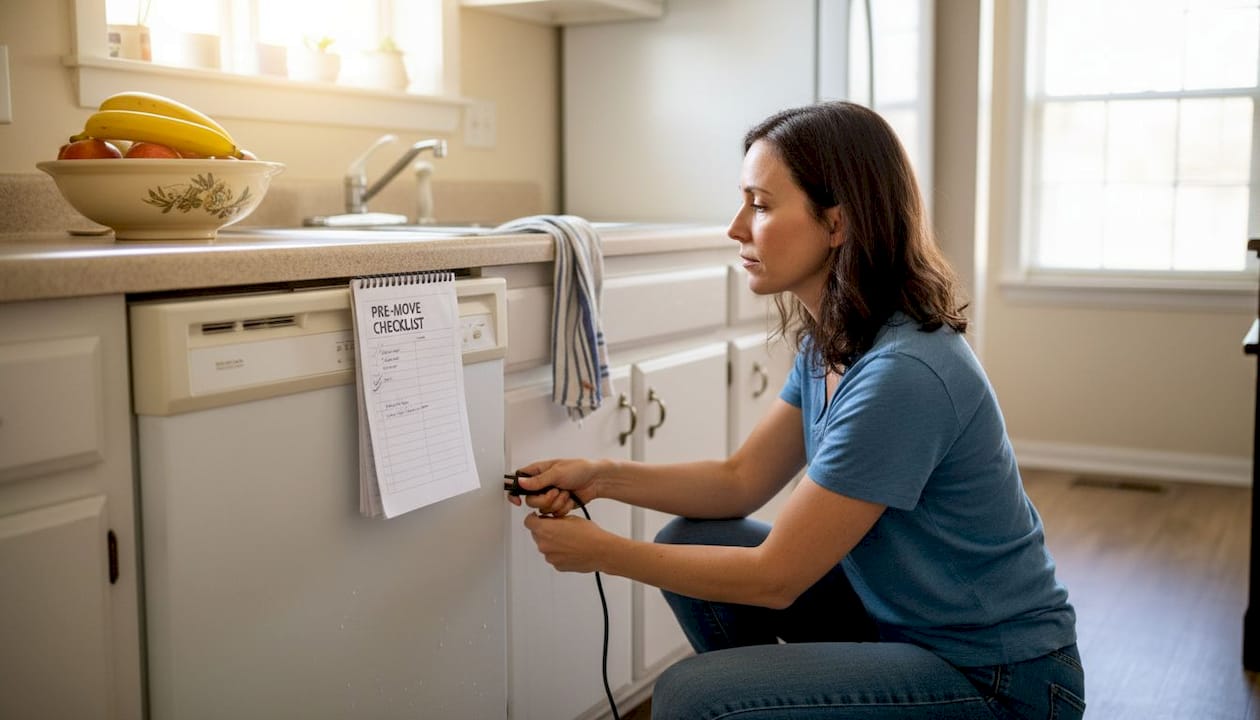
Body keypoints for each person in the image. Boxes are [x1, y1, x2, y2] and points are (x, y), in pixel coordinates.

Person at [507, 101, 1084, 720]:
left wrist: (603, 552)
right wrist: (601, 477)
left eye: (759, 204)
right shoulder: (833, 341)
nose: (735, 228)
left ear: (837, 224)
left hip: (999, 677)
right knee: (699, 536)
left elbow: (777, 576)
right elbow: (739, 482)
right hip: (900, 626)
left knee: (688, 695)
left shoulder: (902, 373)